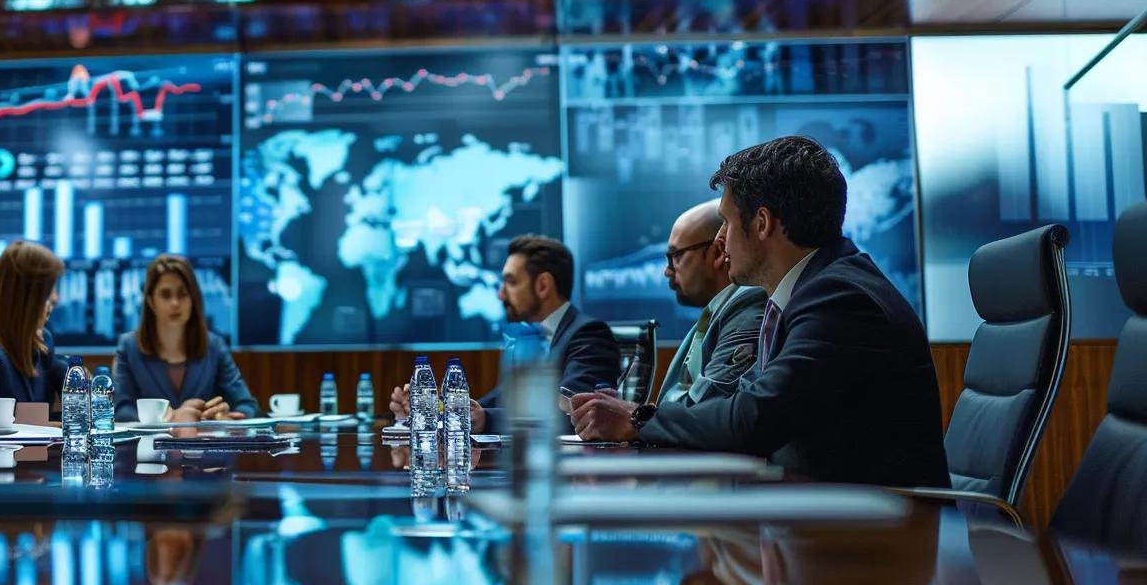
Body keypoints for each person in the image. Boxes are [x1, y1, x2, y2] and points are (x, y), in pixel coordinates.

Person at [572, 135, 950, 488]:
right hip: (825, 516)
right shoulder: (813, 290)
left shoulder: (839, 299)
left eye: (727, 222)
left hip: (878, 535)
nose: (719, 240)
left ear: (763, 224)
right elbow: (739, 405)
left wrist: (636, 419)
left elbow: (752, 421)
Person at [388, 234, 621, 434]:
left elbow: (574, 411)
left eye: (510, 282)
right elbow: (496, 402)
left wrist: (485, 419)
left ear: (542, 285)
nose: (501, 295)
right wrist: (437, 409)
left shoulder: (589, 335)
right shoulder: (528, 339)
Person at [112, 254, 259, 422]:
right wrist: (171, 417)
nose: (175, 303)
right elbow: (120, 410)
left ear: (193, 300)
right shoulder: (129, 346)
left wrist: (228, 417)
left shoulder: (214, 346)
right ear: (151, 301)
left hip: (202, 445)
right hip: (148, 447)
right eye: (166, 295)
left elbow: (248, 405)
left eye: (183, 294)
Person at [659, 200, 767, 406]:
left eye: (676, 255)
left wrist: (637, 417)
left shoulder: (749, 306)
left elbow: (707, 405)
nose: (668, 270)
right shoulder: (718, 312)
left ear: (717, 253)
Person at [0, 240, 68, 403]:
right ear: (27, 299)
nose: (55, 298)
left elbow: (82, 394)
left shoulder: (41, 347)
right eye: (49, 289)